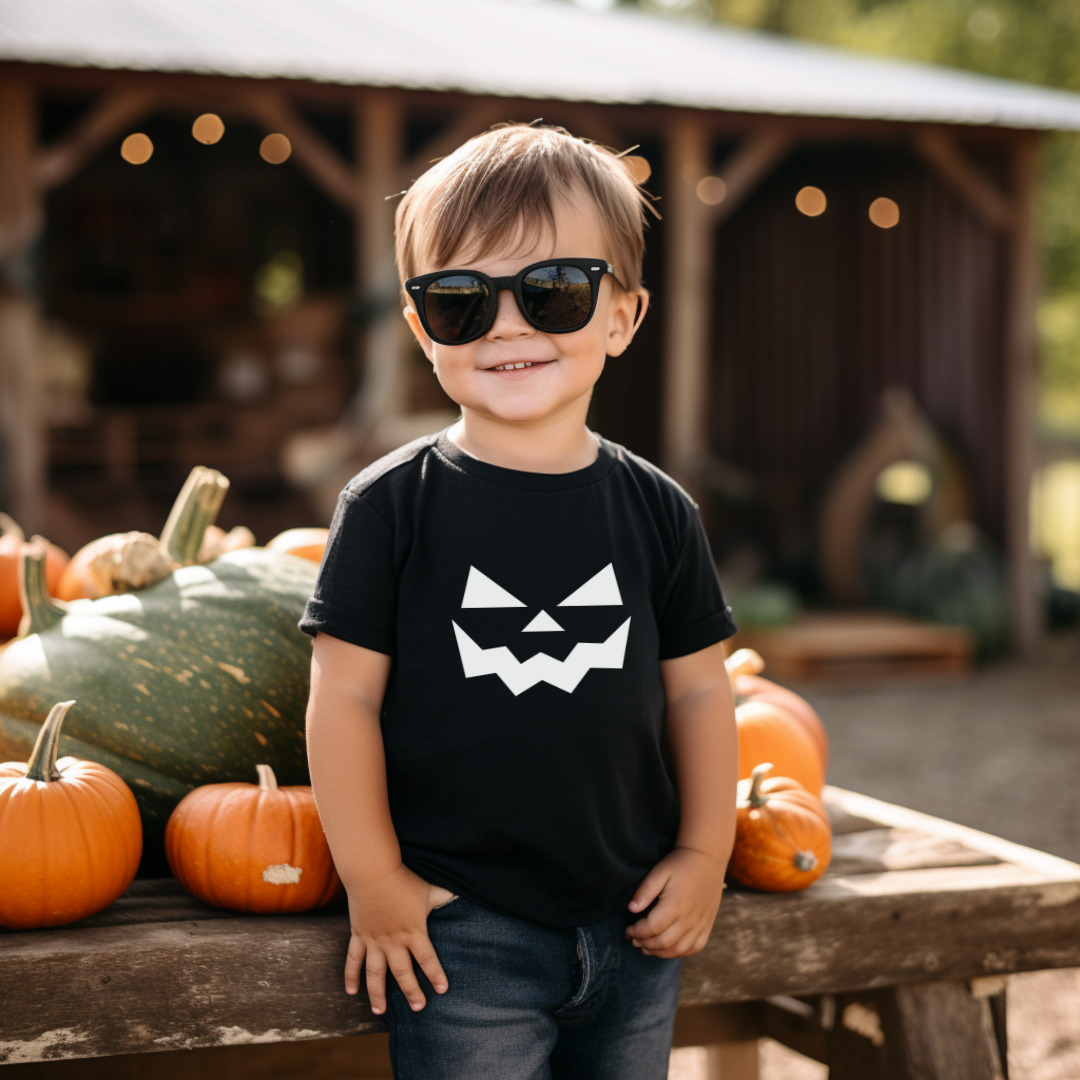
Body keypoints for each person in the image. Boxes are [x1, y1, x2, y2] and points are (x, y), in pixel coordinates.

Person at [300, 122, 739, 1080]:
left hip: (635, 917)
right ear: (422, 332)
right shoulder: (389, 508)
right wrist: (373, 881)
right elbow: (343, 701)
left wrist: (706, 853)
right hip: (463, 930)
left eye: (554, 292)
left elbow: (702, 694)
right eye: (460, 301)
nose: (508, 325)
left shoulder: (660, 511)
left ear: (622, 317)